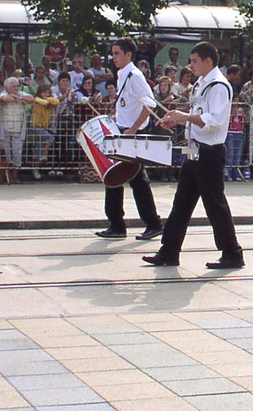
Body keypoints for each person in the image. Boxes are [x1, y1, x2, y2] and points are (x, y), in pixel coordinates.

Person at [143, 43, 244, 270]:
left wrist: (183, 116)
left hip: (209, 152)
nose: (192, 65)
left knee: (215, 205)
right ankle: (169, 250)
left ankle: (232, 253)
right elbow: (197, 115)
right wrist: (177, 119)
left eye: (196, 60)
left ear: (208, 61)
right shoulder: (202, 83)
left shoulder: (218, 85)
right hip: (196, 150)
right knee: (181, 203)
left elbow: (214, 120)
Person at [96, 37, 163, 240]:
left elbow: (149, 104)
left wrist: (133, 128)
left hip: (131, 133)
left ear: (128, 55)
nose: (113, 57)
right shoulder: (122, 74)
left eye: (117, 53)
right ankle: (117, 223)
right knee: (115, 176)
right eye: (113, 53)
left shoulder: (134, 75)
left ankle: (152, 222)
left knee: (136, 179)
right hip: (122, 130)